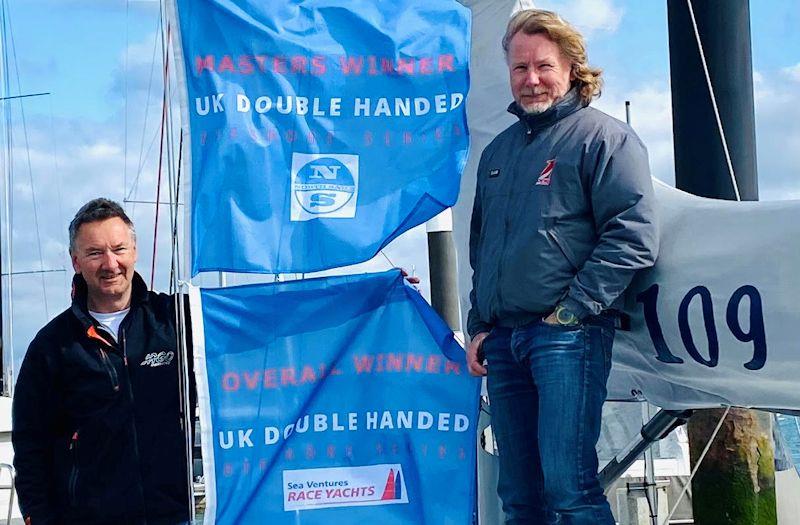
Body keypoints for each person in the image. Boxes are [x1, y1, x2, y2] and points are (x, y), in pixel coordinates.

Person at [466, 9, 658, 524]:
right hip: (505, 342)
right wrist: (479, 325)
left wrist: (572, 311)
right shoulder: (497, 153)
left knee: (570, 490)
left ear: (572, 67)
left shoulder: (603, 139)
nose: (531, 80)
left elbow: (633, 234)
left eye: (543, 66)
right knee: (520, 497)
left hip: (566, 337)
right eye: (519, 68)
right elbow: (482, 246)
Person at [12, 198, 194, 525]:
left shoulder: (177, 322)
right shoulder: (51, 347)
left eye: (119, 249)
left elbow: (249, 333)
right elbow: (29, 448)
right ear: (76, 261)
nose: (110, 263)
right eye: (95, 253)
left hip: (173, 515)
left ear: (135, 252)